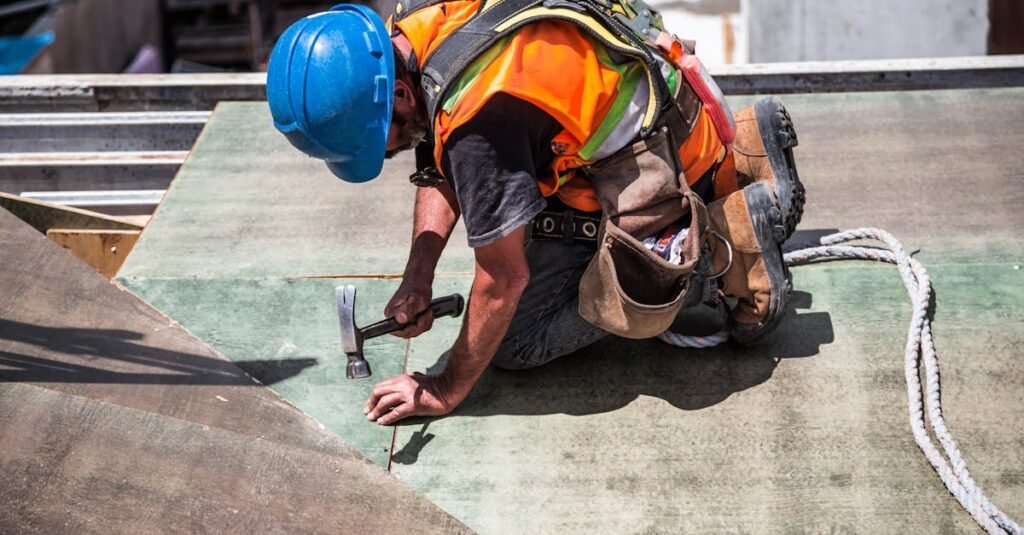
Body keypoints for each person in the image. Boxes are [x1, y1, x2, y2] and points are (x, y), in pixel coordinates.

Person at [266, 1, 805, 426]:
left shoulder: (482, 120)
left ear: (401, 93)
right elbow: (436, 152)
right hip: (668, 109)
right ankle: (748, 154)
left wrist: (443, 387)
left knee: (517, 339)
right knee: (508, 217)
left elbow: (503, 279)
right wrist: (418, 275)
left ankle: (721, 254)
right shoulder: (413, 27)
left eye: (380, 141)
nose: (386, 156)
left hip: (661, 170)